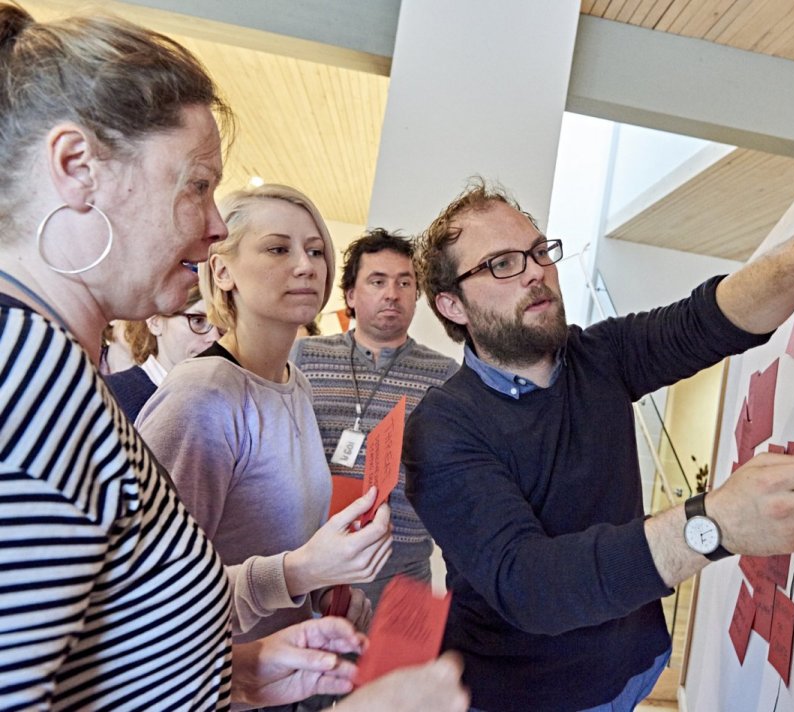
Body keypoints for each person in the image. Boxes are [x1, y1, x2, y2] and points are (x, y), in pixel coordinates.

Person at [0, 6, 468, 710]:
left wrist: (237, 673)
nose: (215, 225)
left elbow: (100, 654)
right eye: (196, 185)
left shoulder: (54, 373)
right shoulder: (28, 386)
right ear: (77, 169)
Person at [403, 171, 794, 711]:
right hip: (520, 699)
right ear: (452, 306)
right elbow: (531, 585)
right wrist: (714, 523)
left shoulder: (599, 356)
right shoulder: (444, 427)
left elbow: (710, 320)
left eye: (539, 252)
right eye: (501, 264)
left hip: (631, 671)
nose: (536, 273)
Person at [136, 185, 391, 655]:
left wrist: (320, 592)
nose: (306, 266)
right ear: (222, 270)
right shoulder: (203, 395)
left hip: (284, 673)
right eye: (278, 249)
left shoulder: (295, 383)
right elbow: (151, 593)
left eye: (315, 251)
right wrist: (300, 573)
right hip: (210, 677)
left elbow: (275, 545)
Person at [292, 228, 459, 607]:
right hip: (310, 568)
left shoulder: (446, 376)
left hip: (403, 576)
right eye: (378, 281)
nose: (392, 293)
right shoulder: (303, 357)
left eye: (405, 282)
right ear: (351, 295)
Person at [105, 283, 221, 420]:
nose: (216, 337)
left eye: (222, 323)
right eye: (198, 320)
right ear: (155, 322)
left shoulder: (227, 396)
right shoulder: (109, 395)